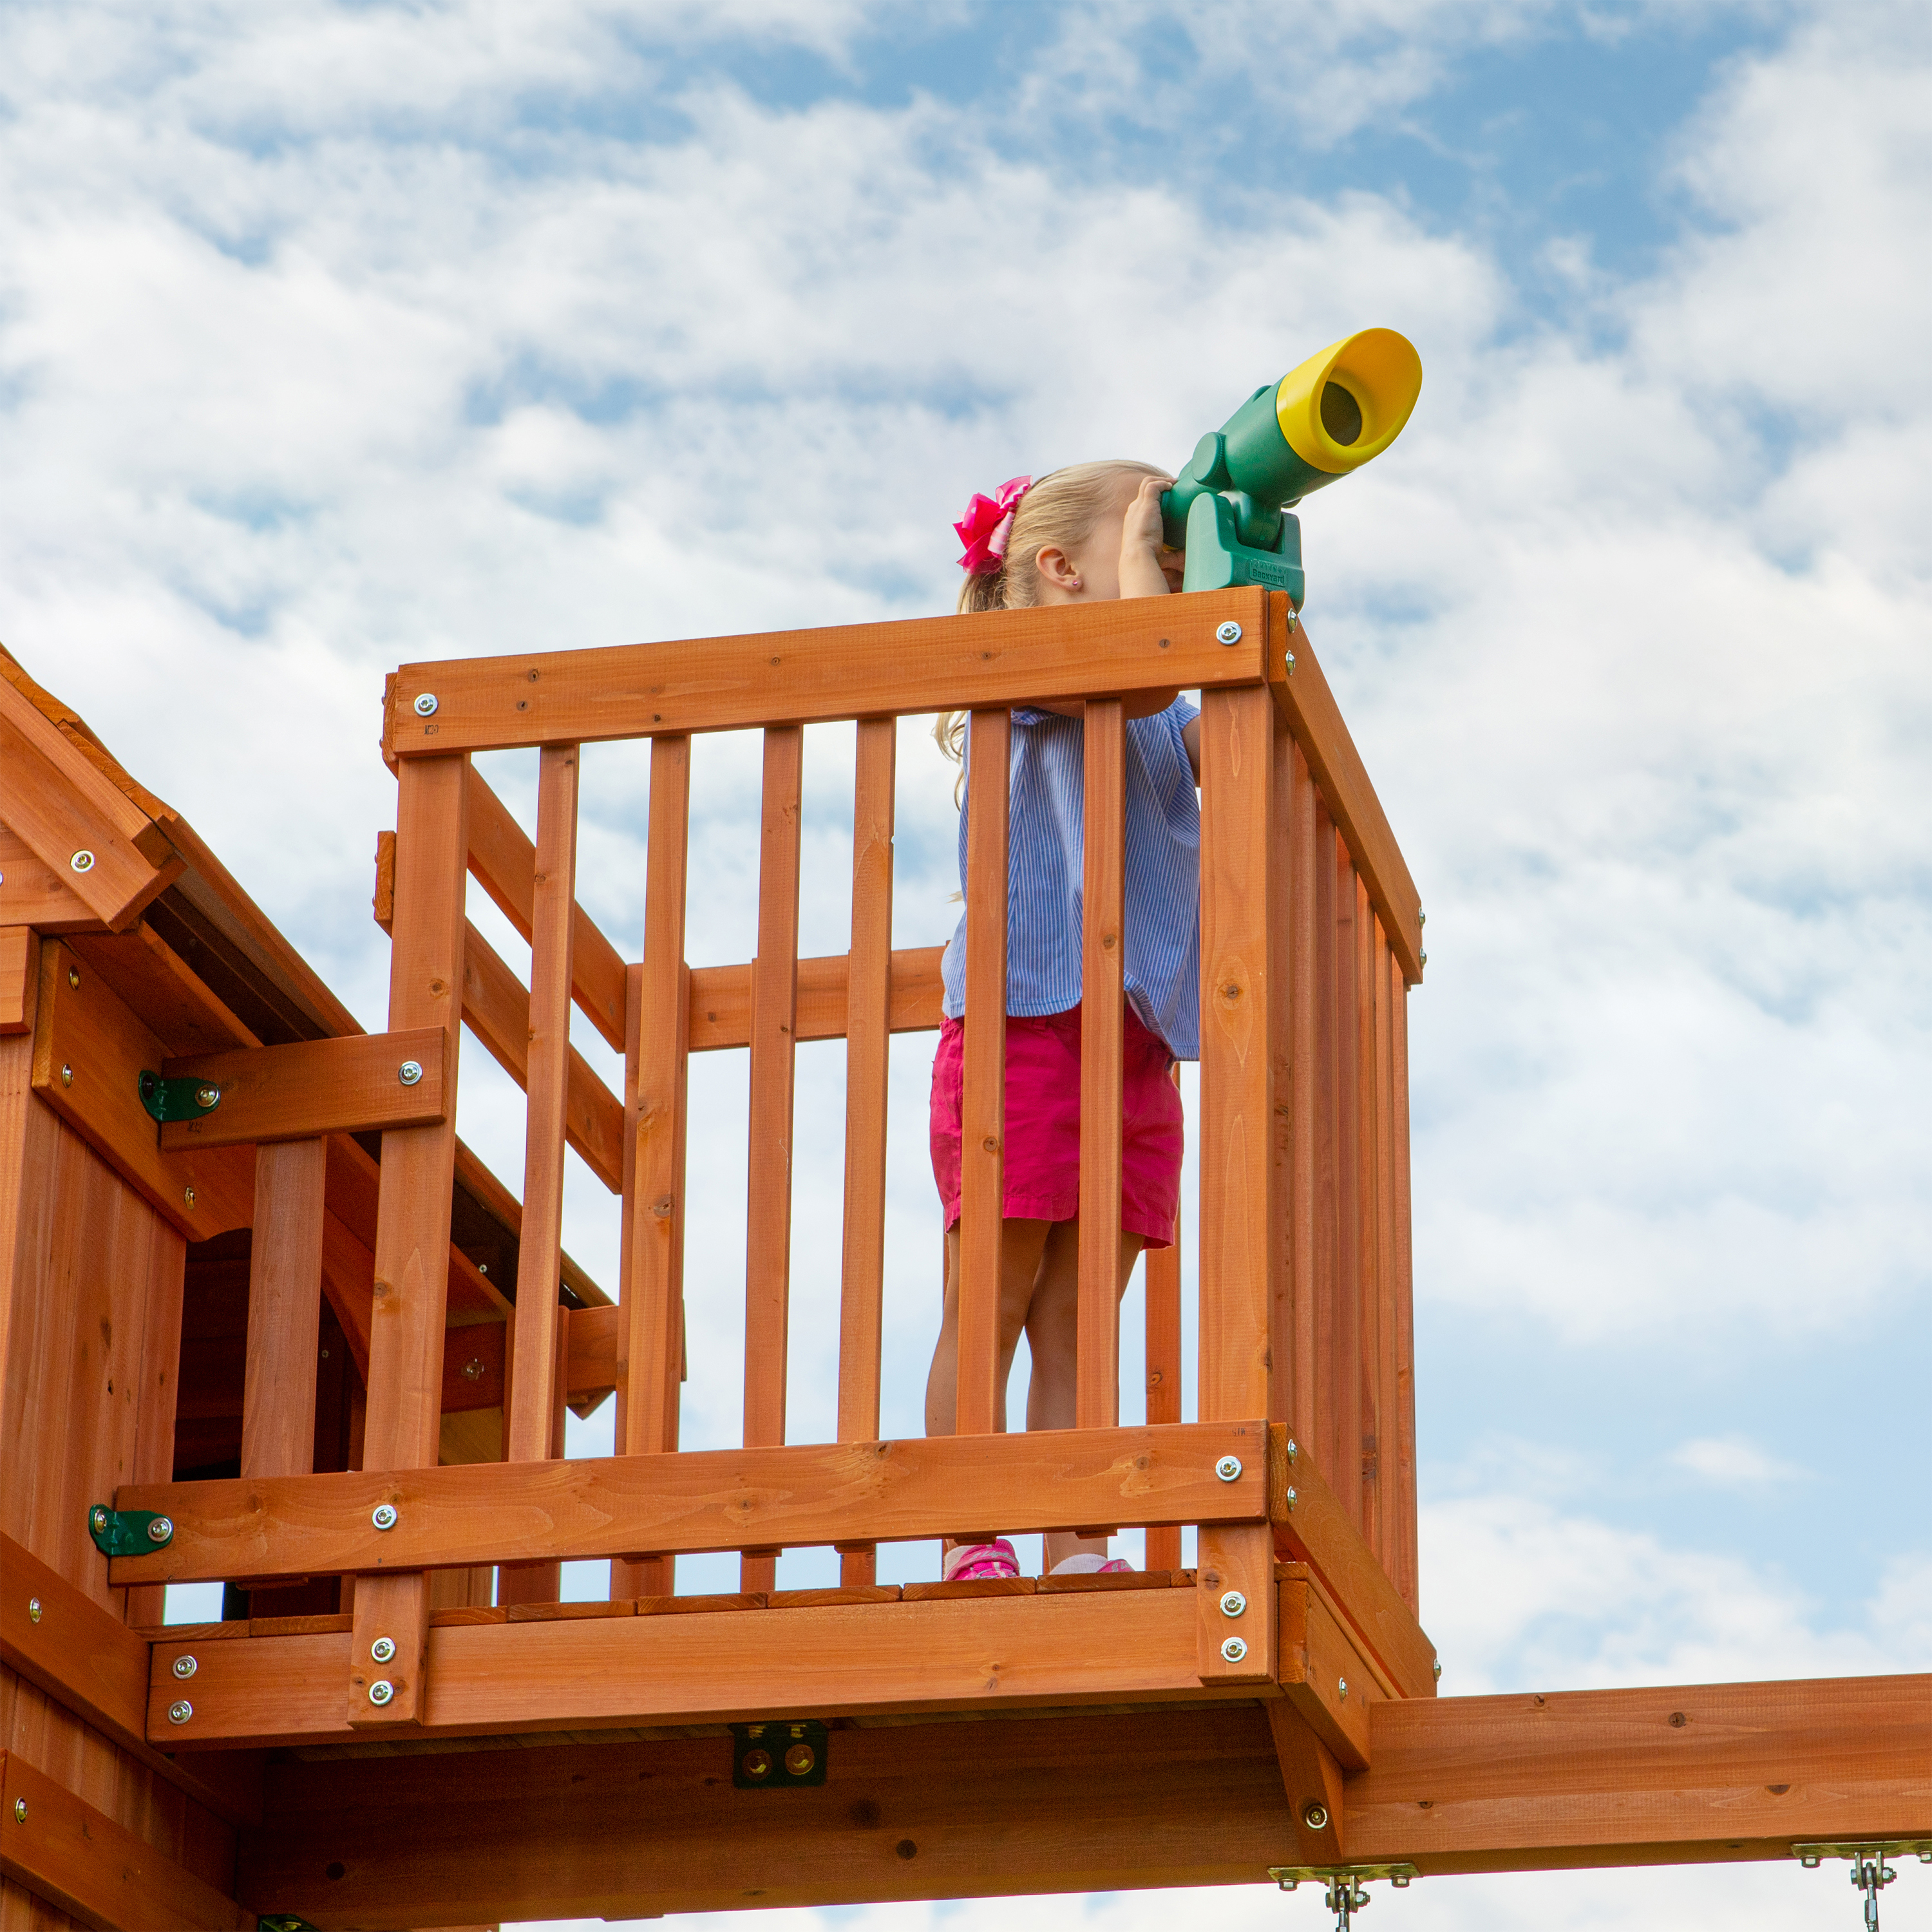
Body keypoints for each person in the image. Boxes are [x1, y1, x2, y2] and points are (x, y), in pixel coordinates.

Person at [924, 461, 1202, 1581]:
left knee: (1082, 1320)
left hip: (1128, 1041)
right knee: (991, 1299)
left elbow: (1225, 725)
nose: (1172, 564)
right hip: (1020, 1026)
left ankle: (1078, 1538)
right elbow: (1133, 672)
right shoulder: (1027, 665)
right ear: (1059, 570)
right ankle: (965, 1530)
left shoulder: (1168, 694)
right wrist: (1150, 578)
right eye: (1150, 537)